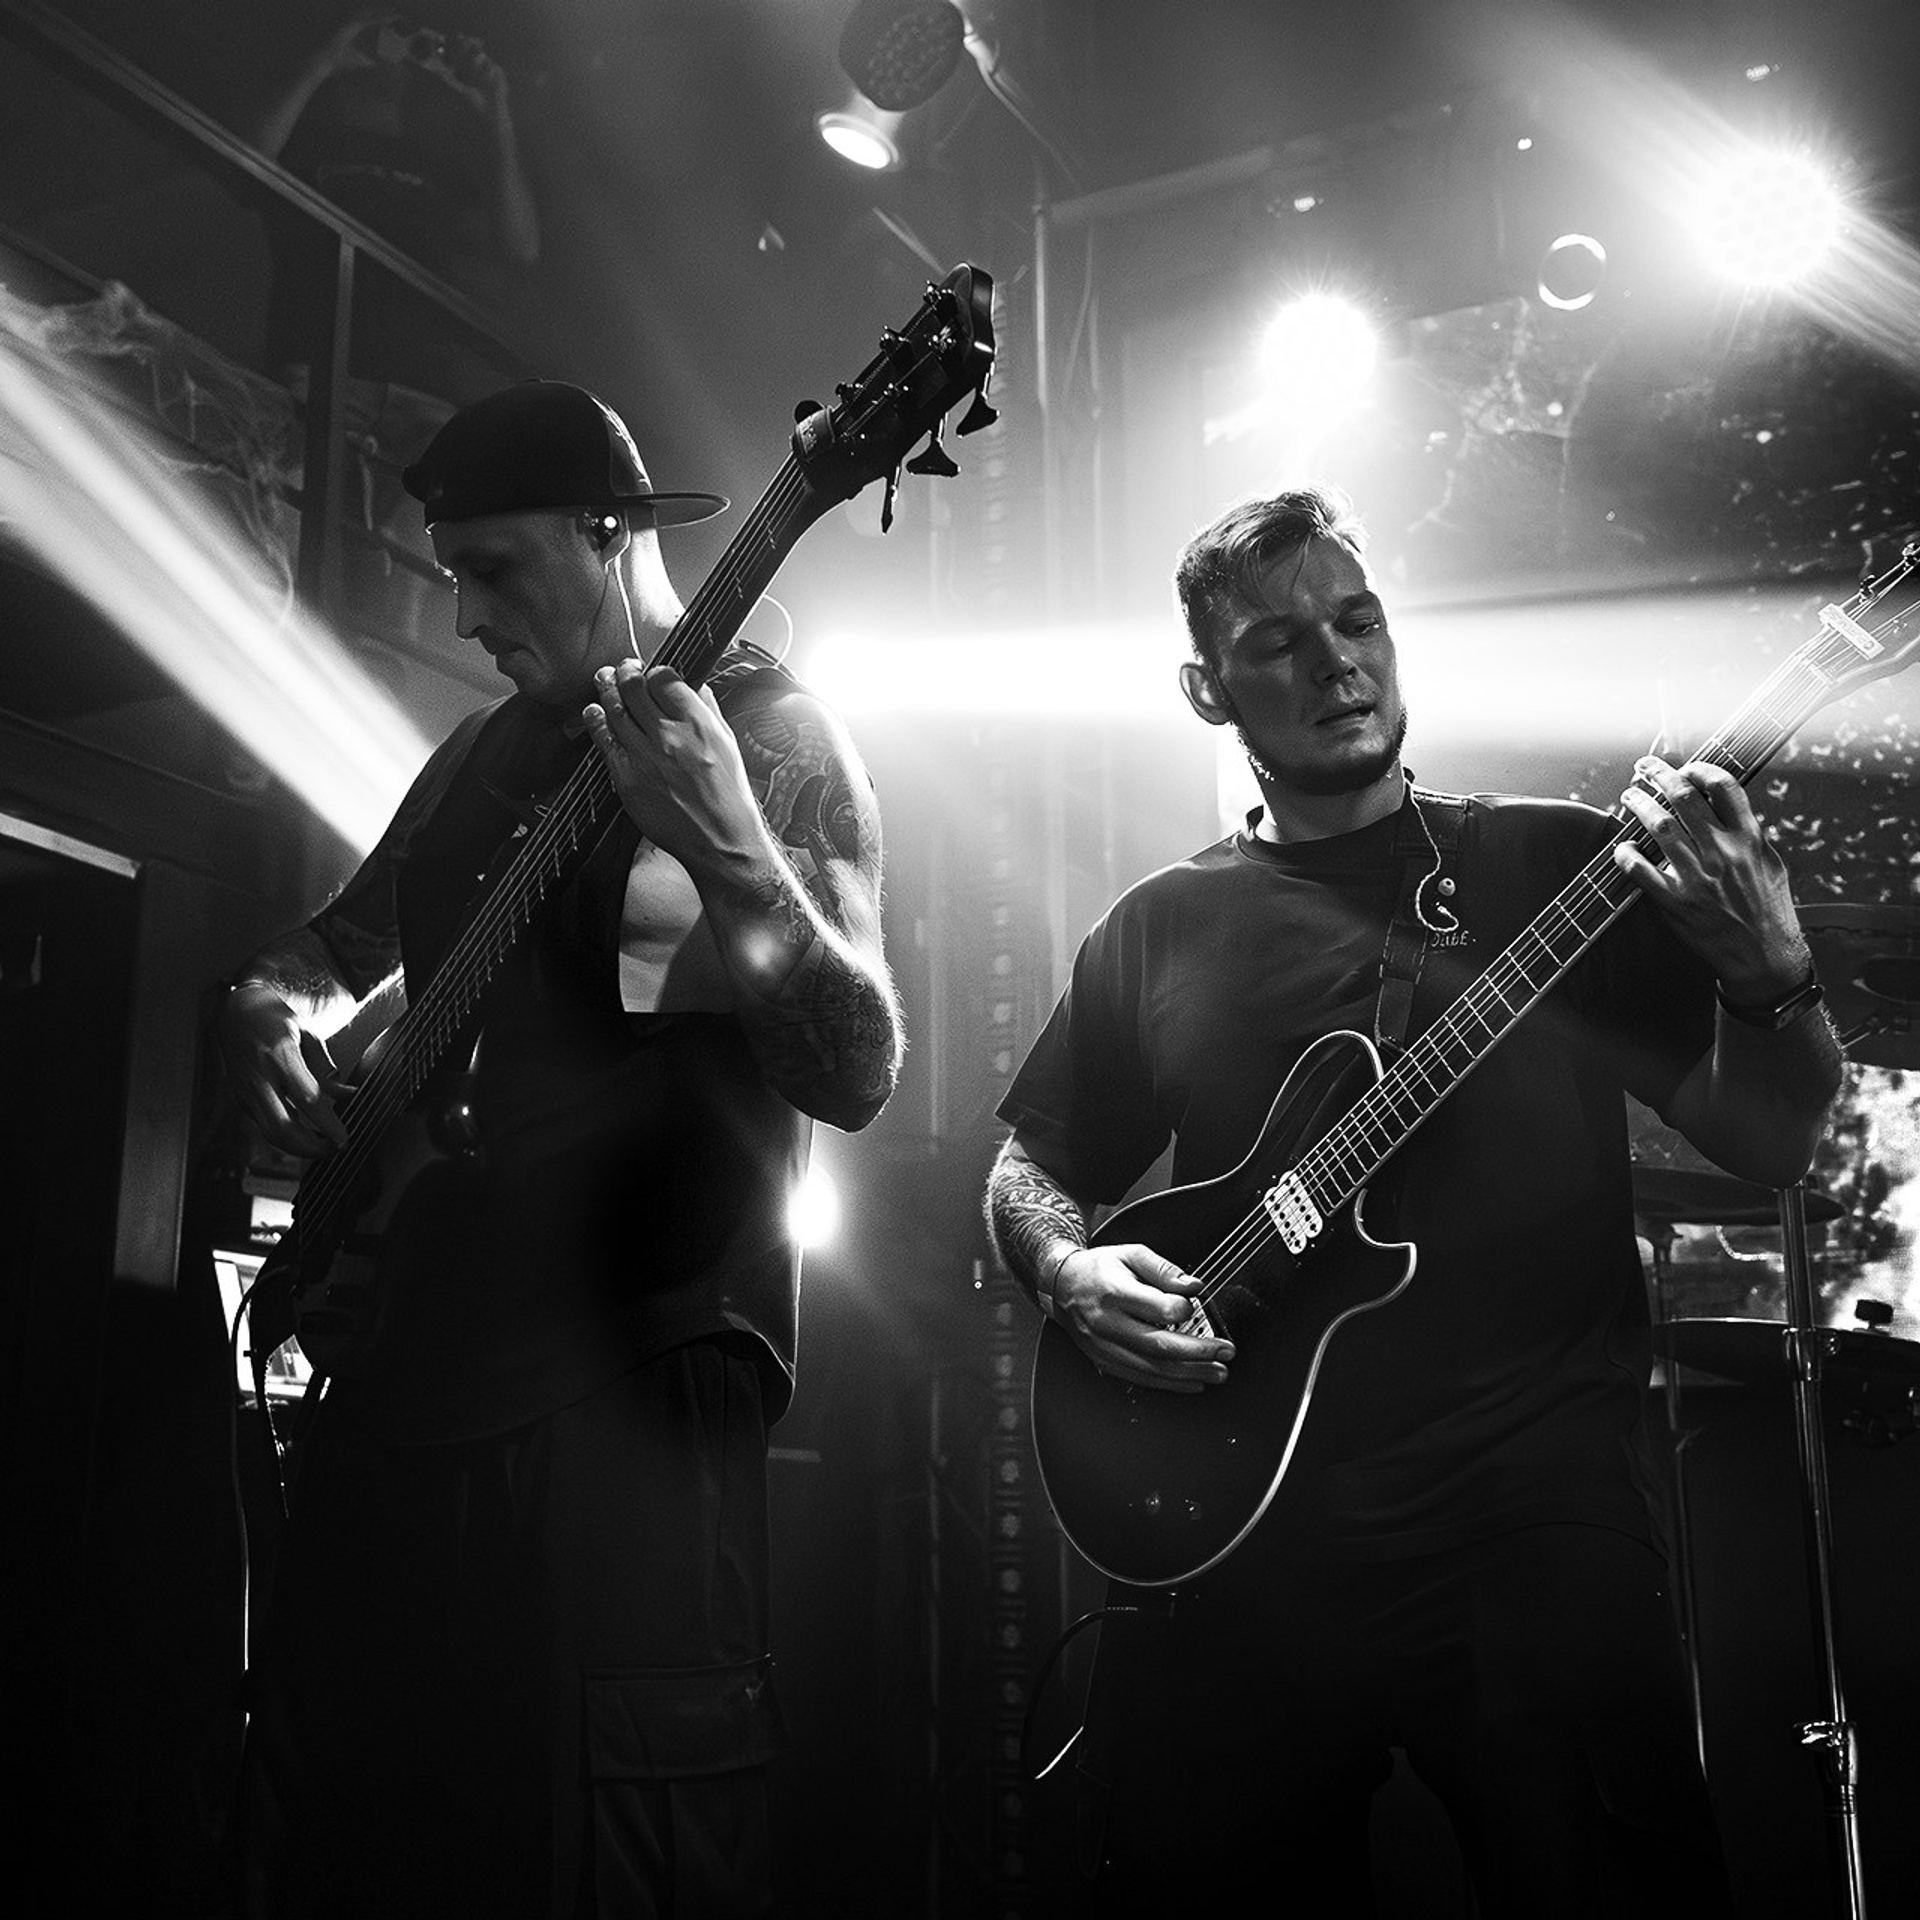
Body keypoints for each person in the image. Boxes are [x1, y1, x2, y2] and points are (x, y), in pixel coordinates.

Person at [984, 488, 1843, 1916]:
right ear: (1206, 689)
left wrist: (1773, 973)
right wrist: (1070, 1275)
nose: (1336, 664)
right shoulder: (1155, 928)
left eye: (1358, 619)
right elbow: (1028, 1170)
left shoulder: (1559, 866)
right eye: (1278, 643)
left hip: (1531, 1519)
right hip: (1237, 1535)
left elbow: (1774, 1135)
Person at [217, 379, 902, 1917]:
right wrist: (262, 1008)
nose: (464, 613)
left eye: (497, 568)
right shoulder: (476, 762)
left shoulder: (780, 740)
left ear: (612, 538)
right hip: (407, 1381)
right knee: (355, 1831)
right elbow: (327, 949)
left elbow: (856, 1066)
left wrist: (726, 840)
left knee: (603, 1859)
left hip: (633, 1393)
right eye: (452, 571)